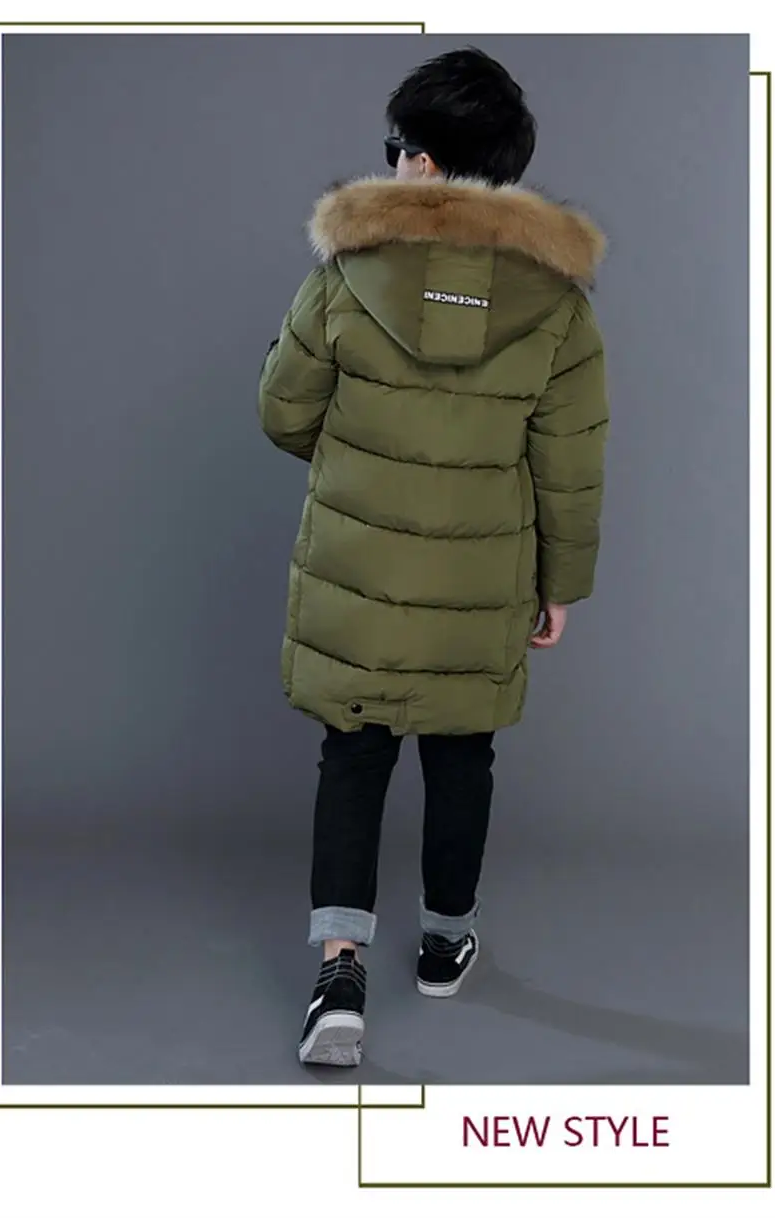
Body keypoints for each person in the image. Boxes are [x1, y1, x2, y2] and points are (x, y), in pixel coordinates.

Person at [258, 46, 609, 1067]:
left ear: (418, 161)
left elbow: (282, 413)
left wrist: (364, 462)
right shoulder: (558, 304)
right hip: (481, 581)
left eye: (396, 146)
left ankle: (338, 971)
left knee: (353, 752)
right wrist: (560, 585)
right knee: (463, 752)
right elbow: (570, 463)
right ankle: (446, 942)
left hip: (357, 571)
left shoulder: (343, 274)